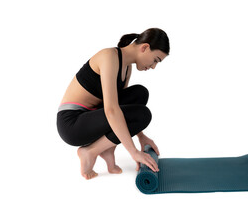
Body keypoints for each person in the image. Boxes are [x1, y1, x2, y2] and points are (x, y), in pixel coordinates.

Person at [57, 28, 170, 180]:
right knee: (143, 115)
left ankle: (107, 149)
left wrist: (141, 136)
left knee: (140, 93)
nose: (154, 66)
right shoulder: (109, 57)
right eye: (156, 60)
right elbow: (111, 110)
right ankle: (90, 151)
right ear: (145, 47)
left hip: (92, 115)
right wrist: (134, 152)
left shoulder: (127, 67)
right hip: (72, 124)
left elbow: (122, 110)